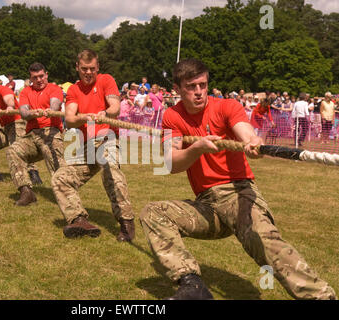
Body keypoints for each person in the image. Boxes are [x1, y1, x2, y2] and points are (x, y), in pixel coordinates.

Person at [139, 58, 336, 300]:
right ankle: (192, 286)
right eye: (191, 87)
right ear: (178, 89)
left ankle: (321, 297)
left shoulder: (227, 106)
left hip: (238, 193)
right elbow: (169, 164)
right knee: (153, 213)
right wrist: (197, 149)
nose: (199, 92)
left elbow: (245, 131)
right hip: (206, 205)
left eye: (202, 84)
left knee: (266, 243)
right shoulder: (171, 116)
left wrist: (253, 142)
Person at [51, 49, 135, 241]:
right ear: (77, 68)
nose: (88, 73)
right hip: (85, 147)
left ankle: (126, 222)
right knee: (60, 178)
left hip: (107, 139)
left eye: (91, 69)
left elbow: (115, 106)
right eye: (84, 69)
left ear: (97, 67)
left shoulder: (106, 80)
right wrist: (83, 117)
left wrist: (105, 114)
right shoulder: (73, 90)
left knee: (111, 170)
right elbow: (70, 119)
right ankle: (79, 220)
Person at [5, 62, 66, 206]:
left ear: (46, 75)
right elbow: (24, 113)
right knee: (13, 151)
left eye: (41, 76)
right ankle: (27, 192)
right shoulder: (26, 92)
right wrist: (33, 113)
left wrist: (50, 110)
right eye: (35, 77)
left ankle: (66, 194)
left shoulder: (54, 88)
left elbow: (55, 104)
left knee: (57, 165)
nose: (39, 80)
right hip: (32, 135)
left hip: (51, 131)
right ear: (30, 78)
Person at [0, 74, 43, 184]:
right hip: (5, 128)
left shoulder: (3, 90)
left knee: (18, 147)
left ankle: (33, 173)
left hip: (18, 123)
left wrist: (9, 107)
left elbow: (9, 99)